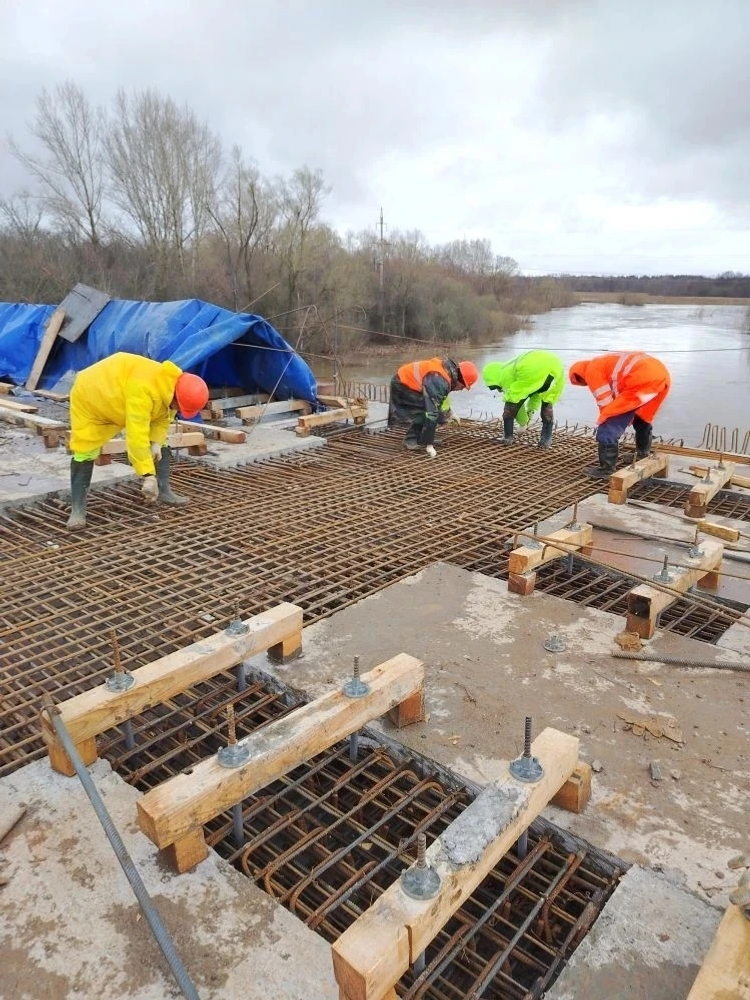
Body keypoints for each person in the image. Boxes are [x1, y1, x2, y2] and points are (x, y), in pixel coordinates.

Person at [66, 352, 210, 529]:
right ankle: (78, 510)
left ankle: (164, 491)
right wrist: (148, 475)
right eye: (180, 407)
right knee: (85, 450)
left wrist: (156, 443)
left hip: (120, 393)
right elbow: (136, 436)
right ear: (176, 397)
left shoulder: (171, 387)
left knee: (161, 443)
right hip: (92, 397)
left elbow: (164, 417)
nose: (178, 411)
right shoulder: (143, 391)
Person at [569, 351, 671, 478]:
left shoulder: (591, 370)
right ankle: (642, 454)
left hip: (641, 379)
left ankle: (606, 469)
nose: (586, 384)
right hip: (661, 377)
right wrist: (624, 412)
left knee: (608, 425)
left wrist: (606, 419)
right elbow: (619, 390)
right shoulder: (604, 363)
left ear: (578, 375)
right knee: (641, 417)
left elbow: (605, 402)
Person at [388, 357, 479, 456]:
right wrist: (429, 445)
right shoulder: (439, 380)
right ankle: (411, 440)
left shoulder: (447, 375)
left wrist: (450, 413)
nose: (461, 389)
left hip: (408, 383)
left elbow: (440, 399)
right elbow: (432, 412)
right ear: (460, 380)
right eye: (463, 386)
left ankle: (422, 438)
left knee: (436, 413)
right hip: (403, 385)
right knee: (426, 410)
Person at [482, 350, 564, 449]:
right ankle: (546, 441)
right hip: (557, 367)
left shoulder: (504, 374)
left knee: (510, 403)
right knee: (547, 402)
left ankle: (507, 438)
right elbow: (537, 393)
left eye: (495, 387)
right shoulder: (511, 368)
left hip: (531, 366)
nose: (498, 390)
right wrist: (530, 411)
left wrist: (523, 423)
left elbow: (515, 402)